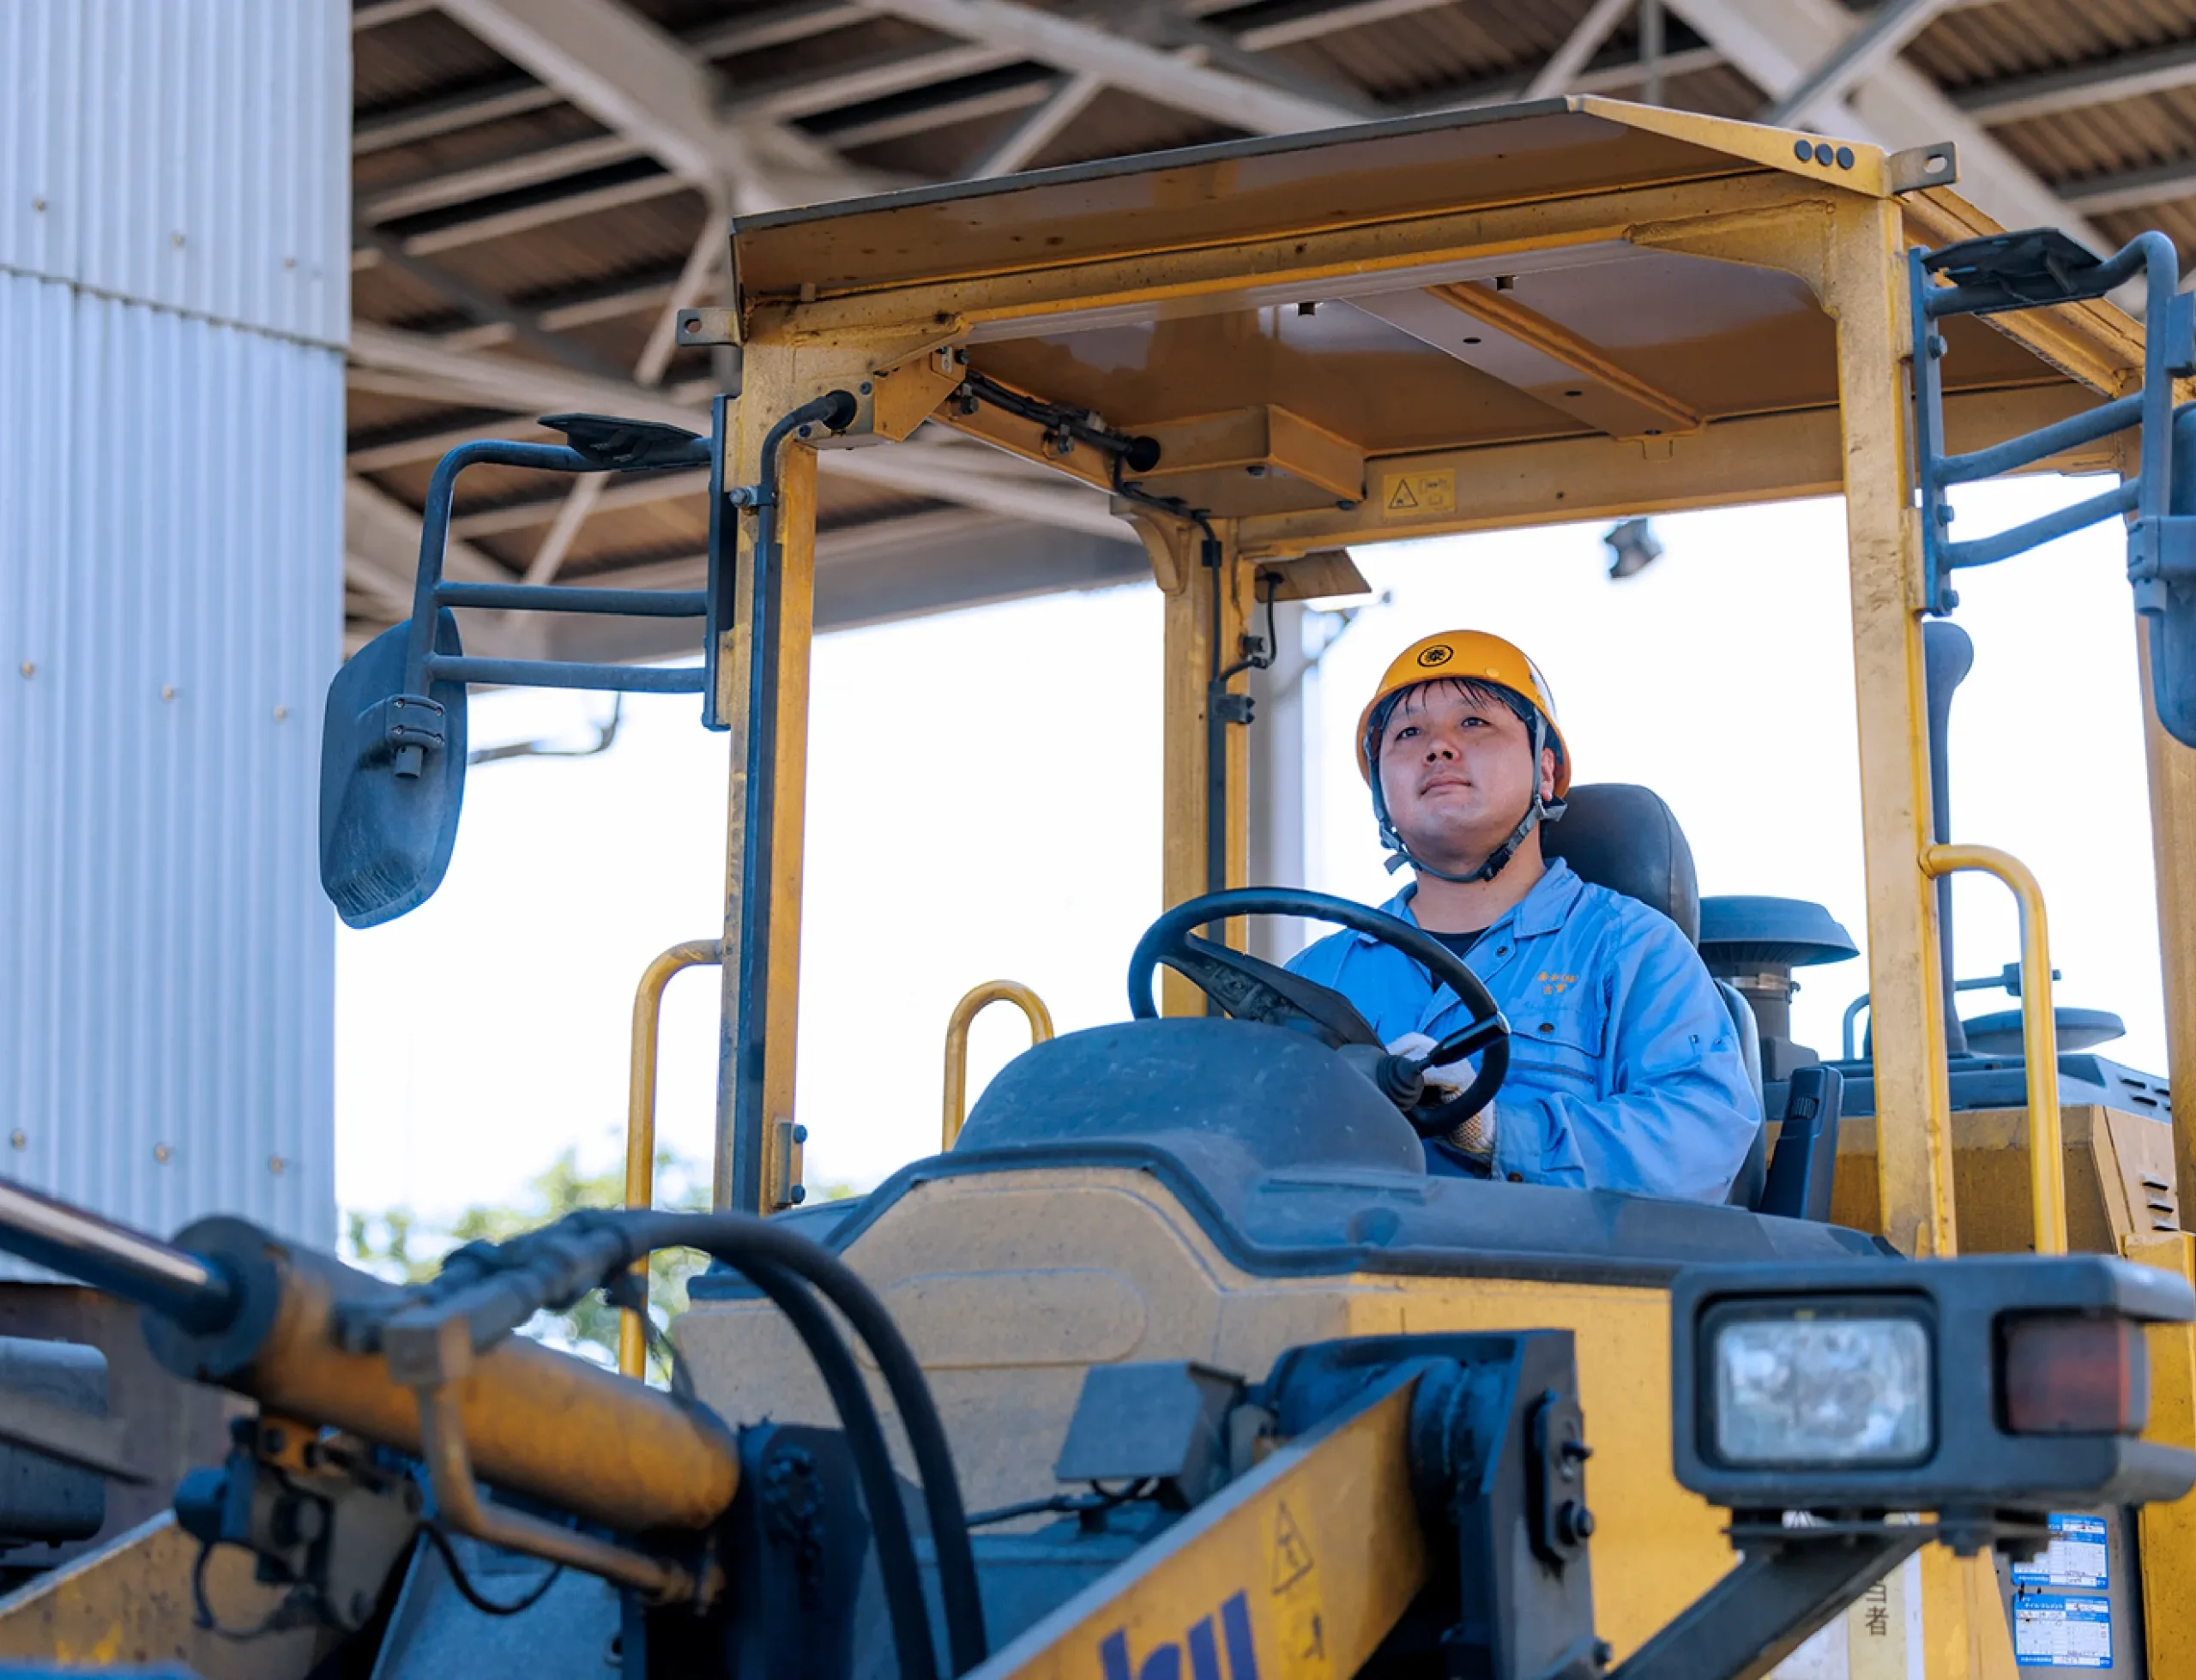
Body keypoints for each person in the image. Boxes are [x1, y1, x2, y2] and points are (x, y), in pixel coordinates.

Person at [1287, 630, 1759, 1200]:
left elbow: (1701, 1139)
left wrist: (1498, 1131)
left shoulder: (1631, 950)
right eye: (1408, 733)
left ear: (1544, 768)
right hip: (1336, 1282)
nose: (1438, 748)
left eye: (1474, 723)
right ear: (1381, 792)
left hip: (1558, 1283)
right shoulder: (1314, 977)